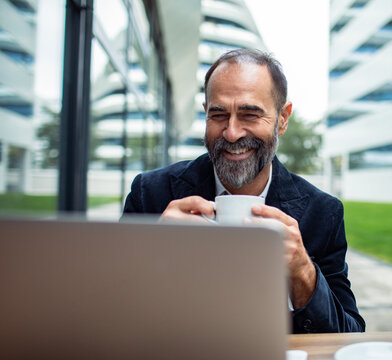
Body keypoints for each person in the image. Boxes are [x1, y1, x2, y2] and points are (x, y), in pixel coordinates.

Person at [123, 49, 365, 333]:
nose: (232, 133)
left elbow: (348, 336)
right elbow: (105, 315)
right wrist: (151, 255)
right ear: (205, 114)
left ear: (283, 119)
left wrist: (302, 272)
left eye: (250, 115)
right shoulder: (149, 193)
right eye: (219, 115)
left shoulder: (323, 213)